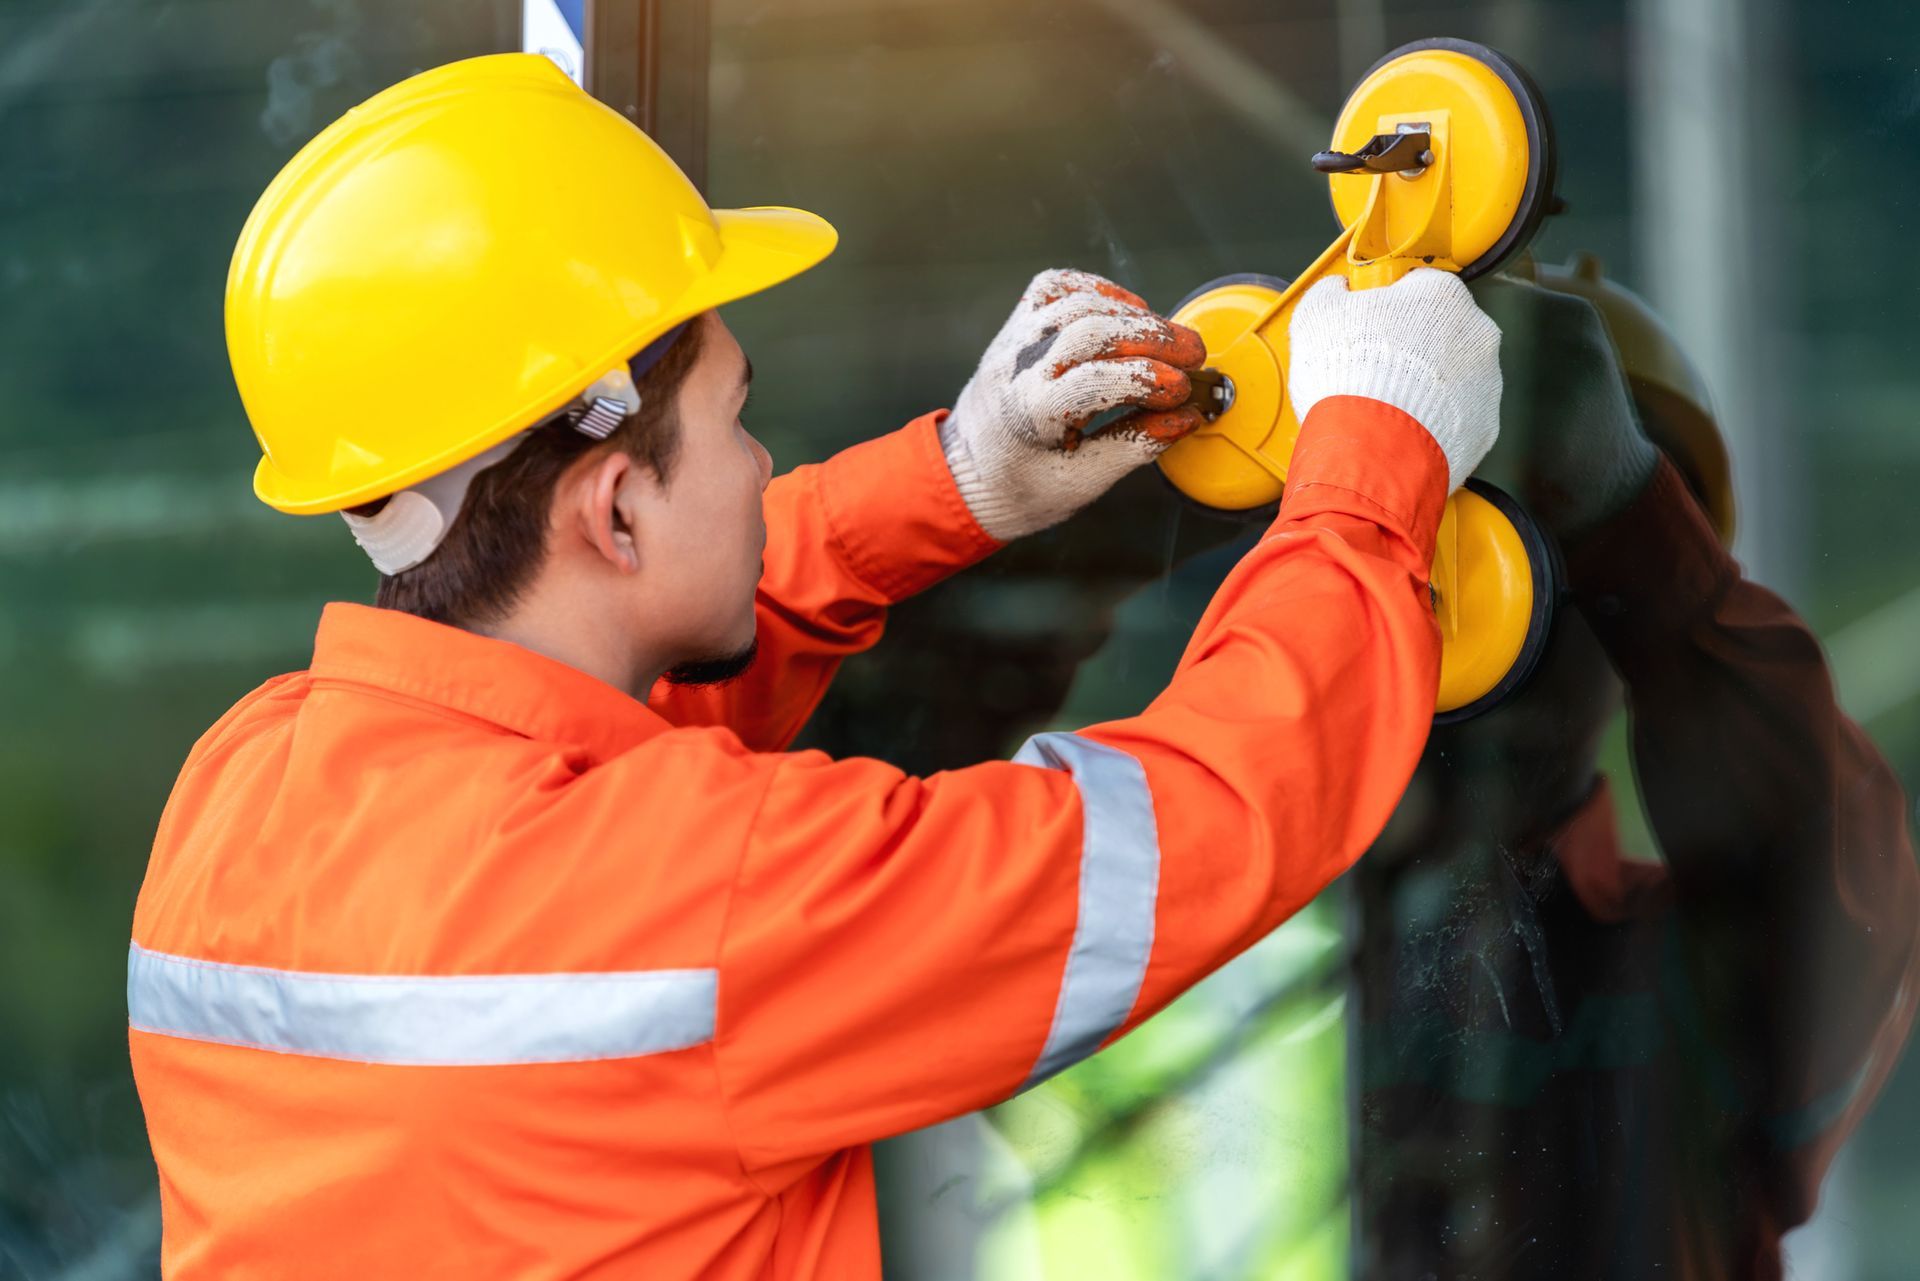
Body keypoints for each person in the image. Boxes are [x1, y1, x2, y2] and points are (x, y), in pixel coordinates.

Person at [127, 54, 1506, 1279]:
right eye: (742, 418)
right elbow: (1195, 825)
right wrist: (1376, 454)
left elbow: (580, 772)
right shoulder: (710, 905)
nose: (763, 461)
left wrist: (966, 480)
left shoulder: (238, 793)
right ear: (611, 510)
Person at [1350, 267, 1920, 1279]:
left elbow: (1822, 866)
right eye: (1460, 531)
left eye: (1555, 556)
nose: (1510, 613)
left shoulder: (1679, 982)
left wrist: (1638, 532)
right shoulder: (1251, 905)